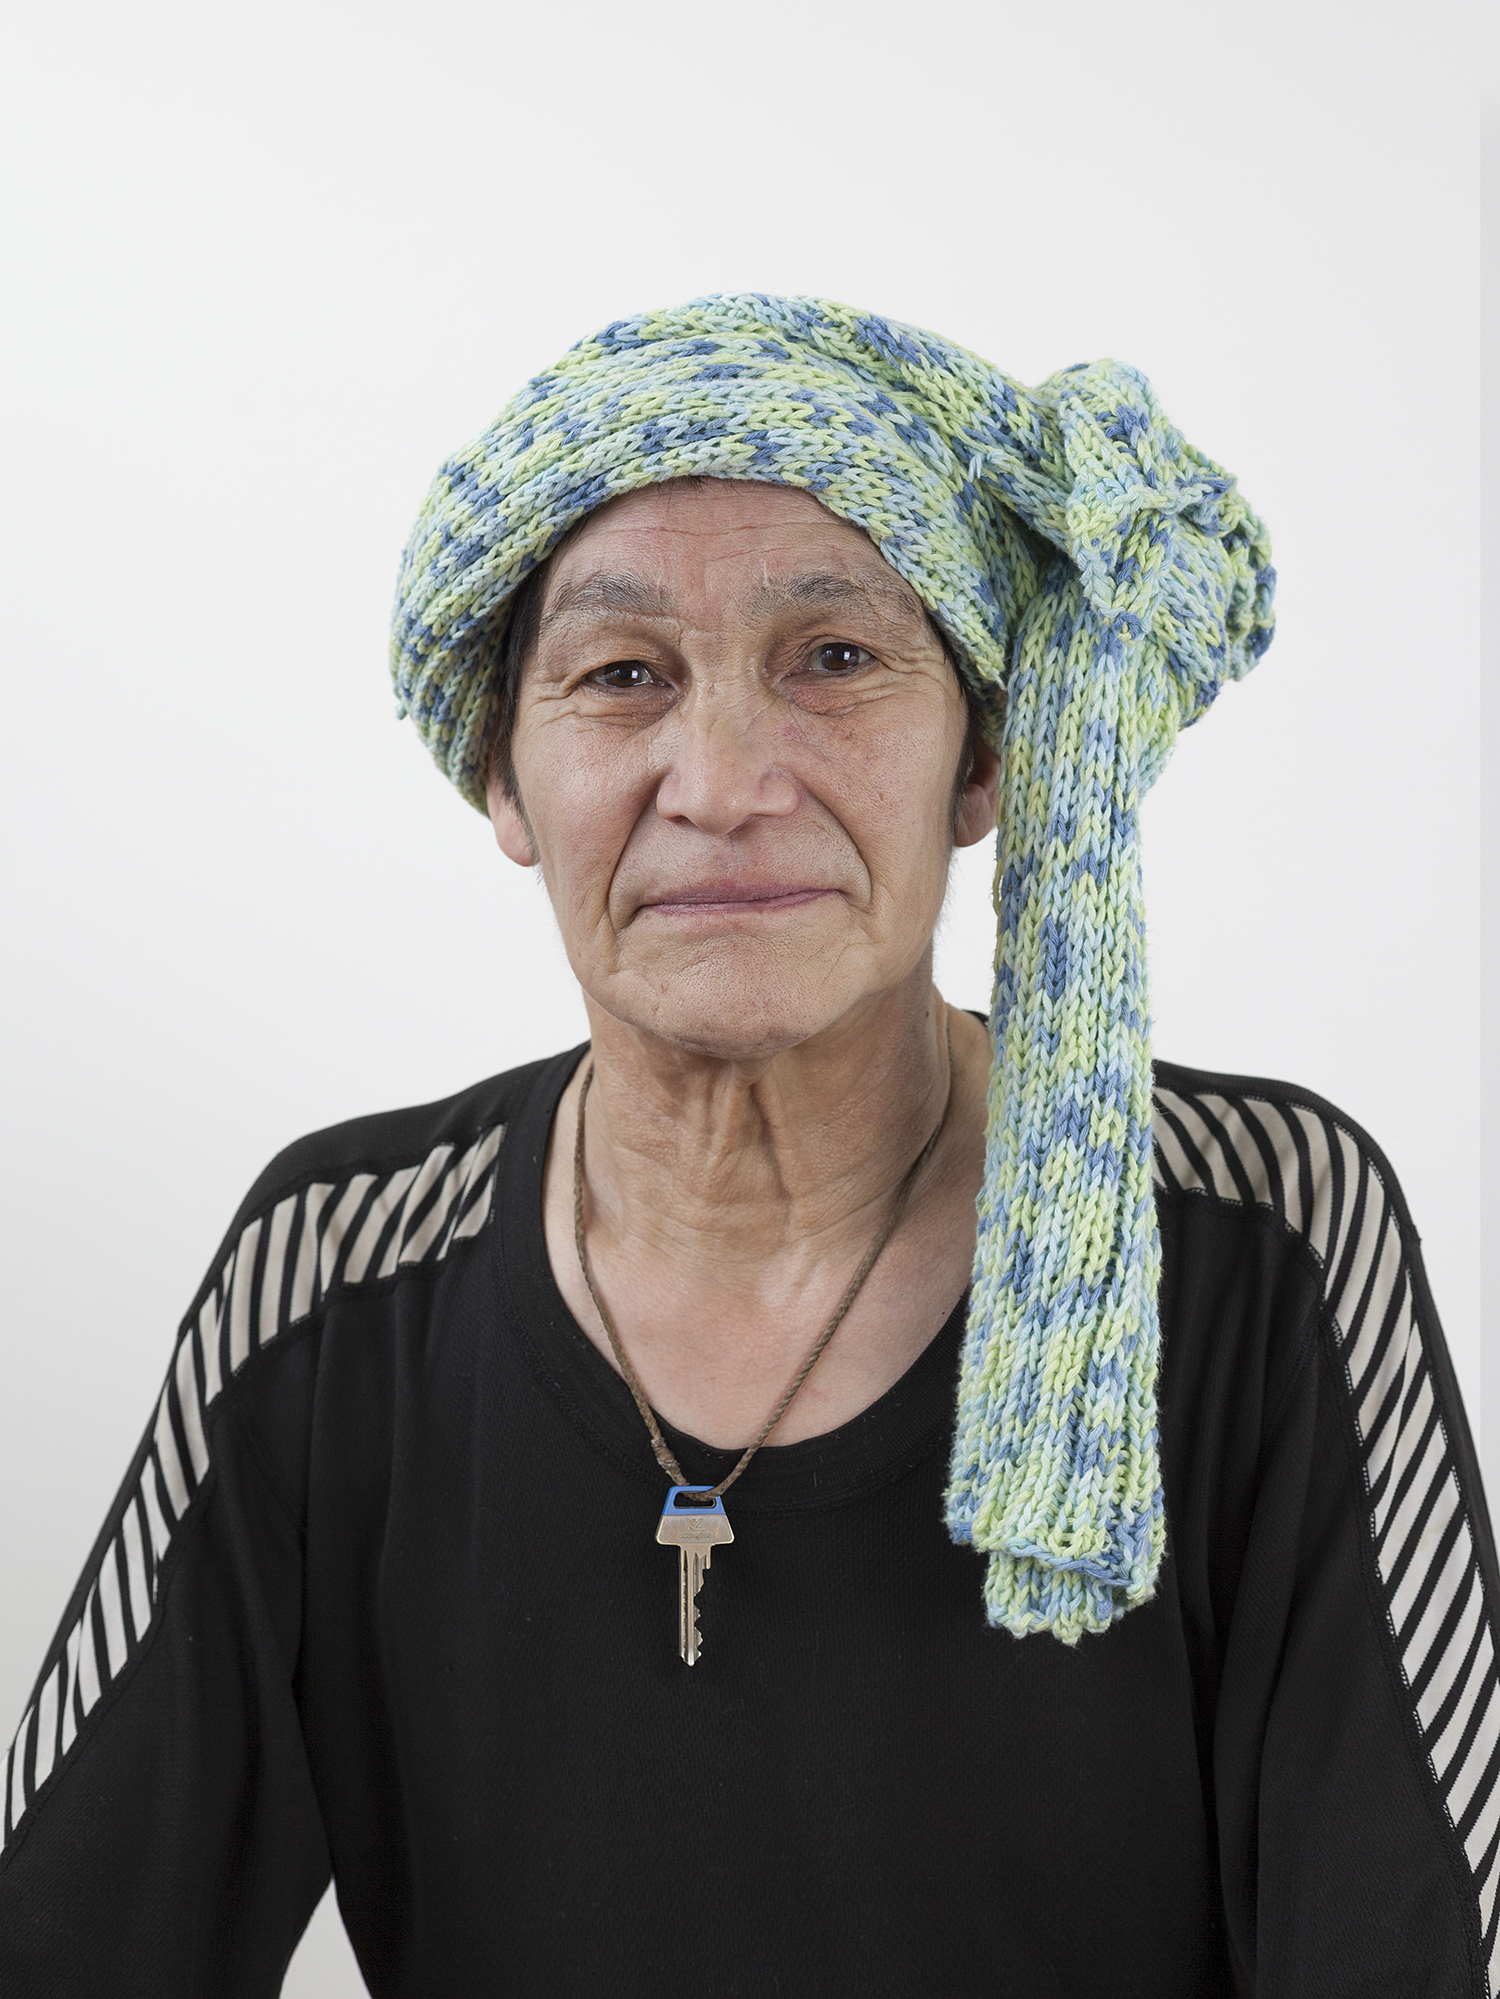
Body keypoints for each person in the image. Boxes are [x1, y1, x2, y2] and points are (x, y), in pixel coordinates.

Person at [0, 295, 1493, 1997]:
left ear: (984, 756)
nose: (720, 783)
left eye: (834, 659)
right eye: (622, 676)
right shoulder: (335, 1278)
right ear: (502, 776)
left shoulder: (1260, 1236)